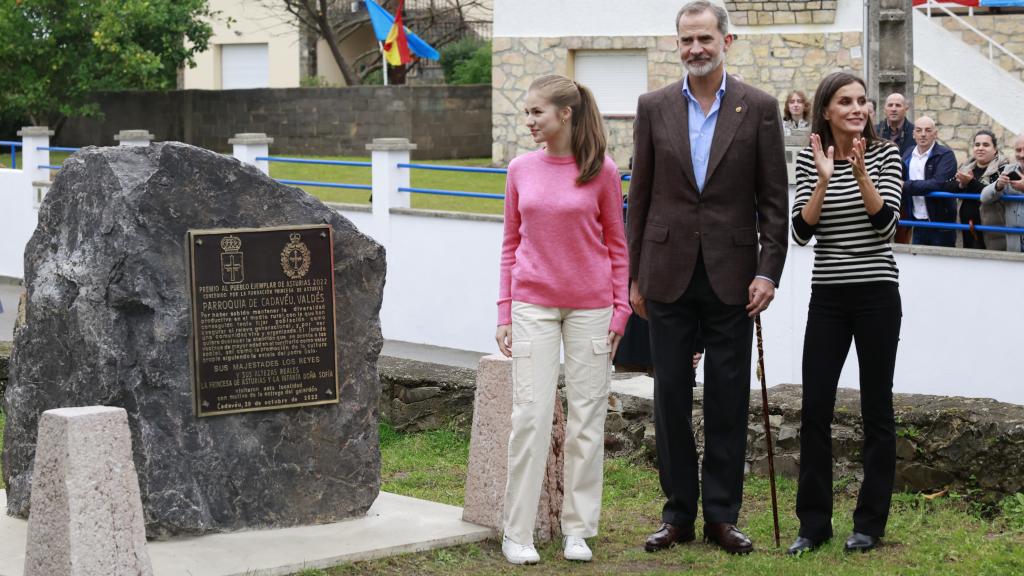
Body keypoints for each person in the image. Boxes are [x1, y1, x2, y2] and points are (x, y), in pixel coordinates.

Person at [628, 0, 789, 556]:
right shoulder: (652, 107)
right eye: (686, 40)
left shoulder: (759, 108)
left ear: (727, 41)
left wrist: (768, 272)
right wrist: (634, 278)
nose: (695, 48)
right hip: (666, 274)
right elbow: (640, 199)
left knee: (726, 398)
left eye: (705, 38)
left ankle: (722, 515)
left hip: (734, 279)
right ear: (677, 45)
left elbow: (773, 202)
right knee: (670, 396)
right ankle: (678, 516)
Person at [495, 73, 629, 565]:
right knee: (529, 417)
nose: (529, 121)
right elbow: (510, 244)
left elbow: (617, 246)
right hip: (532, 305)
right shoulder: (519, 170)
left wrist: (621, 311)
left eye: (537, 112)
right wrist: (504, 309)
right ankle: (518, 531)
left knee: (586, 421)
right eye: (527, 112)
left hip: (592, 309)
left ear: (565, 114)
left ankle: (578, 529)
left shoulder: (603, 171)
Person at [787, 71, 903, 556]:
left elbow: (886, 228)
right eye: (846, 101)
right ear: (826, 110)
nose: (858, 108)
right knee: (815, 407)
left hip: (877, 293)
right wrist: (825, 179)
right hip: (828, 297)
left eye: (863, 101)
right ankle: (813, 526)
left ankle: (869, 523)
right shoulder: (808, 157)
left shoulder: (887, 154)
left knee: (877, 407)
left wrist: (859, 174)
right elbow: (799, 233)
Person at [942, 130, 1008, 250]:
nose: (980, 148)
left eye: (986, 145)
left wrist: (970, 183)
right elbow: (947, 185)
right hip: (965, 231)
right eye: (977, 145)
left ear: (995, 149)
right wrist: (961, 185)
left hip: (991, 233)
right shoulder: (965, 167)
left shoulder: (1002, 169)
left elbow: (991, 193)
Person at [901, 116, 958, 247]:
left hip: (941, 225)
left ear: (935, 134)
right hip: (916, 222)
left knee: (943, 265)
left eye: (927, 130)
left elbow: (938, 183)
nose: (923, 134)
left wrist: (905, 185)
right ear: (913, 134)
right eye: (919, 130)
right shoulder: (908, 154)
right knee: (919, 264)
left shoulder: (946, 154)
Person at [981, 133, 1024, 252]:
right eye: (1018, 150)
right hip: (1014, 243)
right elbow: (984, 198)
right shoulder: (1009, 169)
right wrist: (998, 185)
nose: (1021, 154)